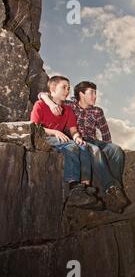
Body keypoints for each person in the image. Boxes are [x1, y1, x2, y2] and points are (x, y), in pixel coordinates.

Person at [38, 81, 129, 213]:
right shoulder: (69, 104)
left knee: (116, 150)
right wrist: (50, 103)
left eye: (95, 93)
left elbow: (105, 133)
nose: (95, 96)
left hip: (93, 139)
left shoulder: (97, 111)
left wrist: (108, 146)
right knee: (95, 150)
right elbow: (43, 94)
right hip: (77, 139)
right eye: (91, 93)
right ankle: (110, 188)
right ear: (81, 94)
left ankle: (115, 192)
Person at [30, 76, 100, 209]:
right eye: (64, 87)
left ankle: (84, 186)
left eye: (68, 88)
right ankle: (73, 187)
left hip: (60, 138)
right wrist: (55, 132)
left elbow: (73, 130)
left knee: (82, 145)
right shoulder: (40, 104)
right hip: (44, 136)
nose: (67, 91)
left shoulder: (68, 109)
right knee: (72, 147)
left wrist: (78, 137)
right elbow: (34, 127)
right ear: (52, 89)